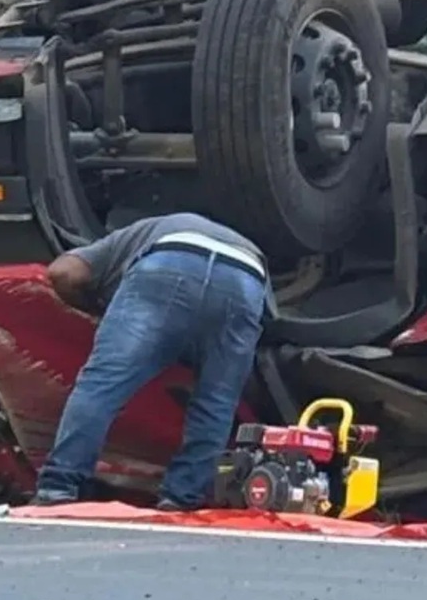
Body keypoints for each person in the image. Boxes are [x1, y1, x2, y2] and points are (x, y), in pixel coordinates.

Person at [32, 212, 269, 510]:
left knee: (101, 386)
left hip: (170, 263)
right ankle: (182, 500)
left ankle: (58, 488)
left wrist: (97, 311)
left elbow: (63, 272)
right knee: (216, 403)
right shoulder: (183, 229)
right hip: (247, 275)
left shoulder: (123, 239)